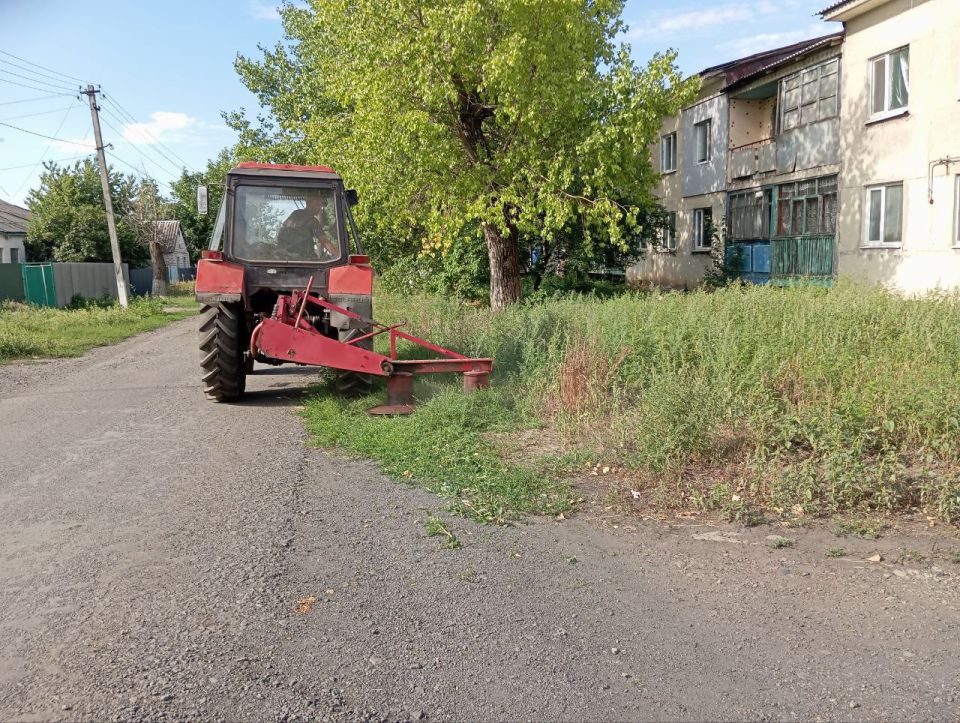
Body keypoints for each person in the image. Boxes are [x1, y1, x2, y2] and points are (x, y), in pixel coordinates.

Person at [276, 195, 338, 261]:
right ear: (308, 203)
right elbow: (325, 241)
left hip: (285, 256)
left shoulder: (296, 213)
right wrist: (338, 255)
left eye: (320, 206)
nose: (320, 208)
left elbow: (284, 226)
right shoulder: (312, 221)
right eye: (317, 204)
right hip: (303, 258)